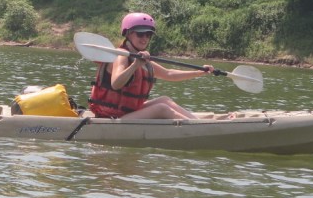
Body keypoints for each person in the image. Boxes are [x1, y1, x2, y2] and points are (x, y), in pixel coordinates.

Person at [88, 12, 221, 120]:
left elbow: (169, 74)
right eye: (140, 34)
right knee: (161, 108)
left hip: (127, 114)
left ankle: (197, 123)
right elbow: (116, 84)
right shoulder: (122, 56)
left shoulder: (140, 58)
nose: (144, 38)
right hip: (112, 118)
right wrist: (135, 66)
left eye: (148, 34)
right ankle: (197, 128)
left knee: (165, 100)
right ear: (128, 34)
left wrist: (199, 72)